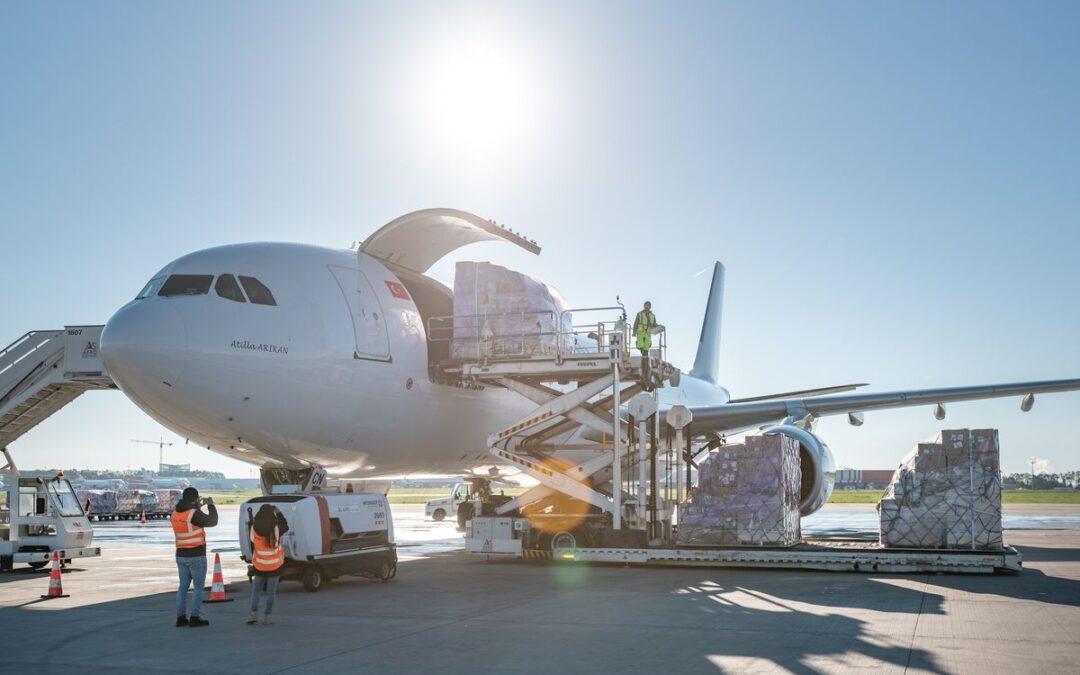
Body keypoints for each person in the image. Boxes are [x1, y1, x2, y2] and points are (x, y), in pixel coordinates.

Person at [172, 487, 217, 627]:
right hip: (196, 554)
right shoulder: (194, 514)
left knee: (183, 587)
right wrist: (211, 505)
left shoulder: (175, 513)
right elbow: (212, 521)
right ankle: (195, 617)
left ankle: (180, 618)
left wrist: (197, 506)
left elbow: (189, 517)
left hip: (180, 554)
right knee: (198, 587)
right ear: (195, 499)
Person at [247, 504, 289, 625]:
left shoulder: (254, 528)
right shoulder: (275, 529)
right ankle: (267, 616)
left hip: (259, 566)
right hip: (274, 566)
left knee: (256, 591)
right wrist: (279, 513)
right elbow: (286, 526)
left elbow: (252, 542)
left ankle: (252, 615)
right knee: (271, 592)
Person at [633, 301, 658, 384]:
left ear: (650, 307)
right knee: (640, 346)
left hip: (648, 334)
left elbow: (654, 324)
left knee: (646, 349)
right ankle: (644, 361)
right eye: (646, 305)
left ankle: (645, 366)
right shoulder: (639, 314)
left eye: (648, 305)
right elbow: (636, 323)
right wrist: (634, 332)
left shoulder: (652, 315)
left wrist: (658, 327)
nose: (647, 307)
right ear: (644, 306)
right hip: (640, 333)